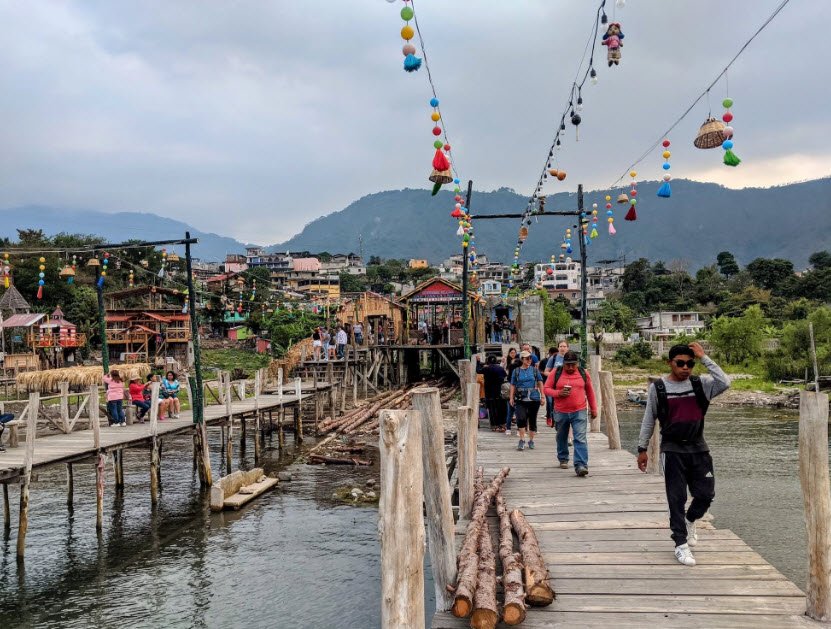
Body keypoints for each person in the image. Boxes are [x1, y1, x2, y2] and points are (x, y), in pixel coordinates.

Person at [637, 342, 730, 567]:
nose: (685, 368)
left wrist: (704, 357)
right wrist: (642, 448)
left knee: (706, 495)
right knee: (676, 499)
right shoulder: (659, 388)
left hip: (698, 448)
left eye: (690, 363)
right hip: (672, 450)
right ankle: (680, 543)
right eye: (680, 363)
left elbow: (724, 382)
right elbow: (649, 418)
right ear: (670, 363)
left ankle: (690, 520)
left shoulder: (701, 385)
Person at [544, 350, 598, 477]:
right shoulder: (556, 372)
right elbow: (546, 389)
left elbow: (590, 391)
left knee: (580, 438)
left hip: (579, 411)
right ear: (563, 363)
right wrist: (558, 393)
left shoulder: (583, 373)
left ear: (577, 363)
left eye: (573, 364)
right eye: (567, 365)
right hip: (560, 411)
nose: (570, 367)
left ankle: (581, 465)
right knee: (561, 437)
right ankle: (563, 458)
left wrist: (594, 409)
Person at [509, 350, 544, 451]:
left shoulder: (534, 370)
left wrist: (543, 396)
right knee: (521, 418)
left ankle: (531, 440)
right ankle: (522, 439)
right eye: (527, 358)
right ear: (522, 359)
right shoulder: (516, 371)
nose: (529, 360)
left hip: (534, 397)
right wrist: (511, 397)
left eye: (530, 358)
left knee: (532, 419)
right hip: (521, 398)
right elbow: (512, 385)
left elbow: (540, 382)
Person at [477, 354, 508, 432]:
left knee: (492, 409)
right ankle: (502, 424)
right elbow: (505, 376)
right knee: (500, 409)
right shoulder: (500, 368)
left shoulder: (486, 369)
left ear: (488, 361)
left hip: (489, 392)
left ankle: (494, 426)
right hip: (500, 392)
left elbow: (478, 370)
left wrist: (478, 362)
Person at [503, 347, 519, 435]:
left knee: (510, 409)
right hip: (515, 388)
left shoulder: (514, 363)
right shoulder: (509, 362)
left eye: (514, 352)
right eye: (511, 352)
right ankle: (517, 429)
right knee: (517, 410)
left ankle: (508, 428)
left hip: (510, 387)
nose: (513, 354)